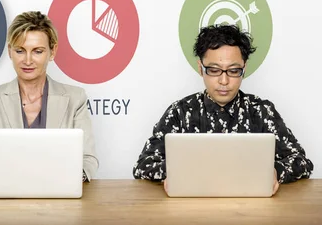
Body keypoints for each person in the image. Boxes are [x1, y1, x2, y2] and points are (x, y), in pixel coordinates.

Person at [133, 24, 313, 195]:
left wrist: (274, 171)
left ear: (244, 68)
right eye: (214, 70)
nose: (224, 81)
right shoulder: (180, 112)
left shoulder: (261, 111)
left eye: (234, 71)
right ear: (200, 68)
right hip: (191, 212)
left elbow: (302, 162)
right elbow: (143, 165)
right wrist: (177, 171)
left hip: (250, 211)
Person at [0, 11, 98, 181]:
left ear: (53, 51)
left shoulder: (75, 98)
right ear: (10, 51)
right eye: (20, 51)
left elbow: (88, 160)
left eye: (37, 51)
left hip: (60, 198)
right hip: (6, 196)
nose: (28, 60)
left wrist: (62, 180)